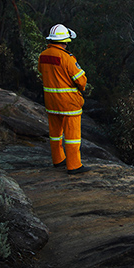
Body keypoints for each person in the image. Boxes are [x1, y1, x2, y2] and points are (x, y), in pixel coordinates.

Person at [37, 24, 91, 175]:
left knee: (55, 134)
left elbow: (42, 73)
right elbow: (81, 80)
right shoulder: (67, 58)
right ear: (65, 41)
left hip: (51, 101)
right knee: (72, 136)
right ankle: (74, 165)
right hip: (69, 103)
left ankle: (58, 159)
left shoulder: (43, 55)